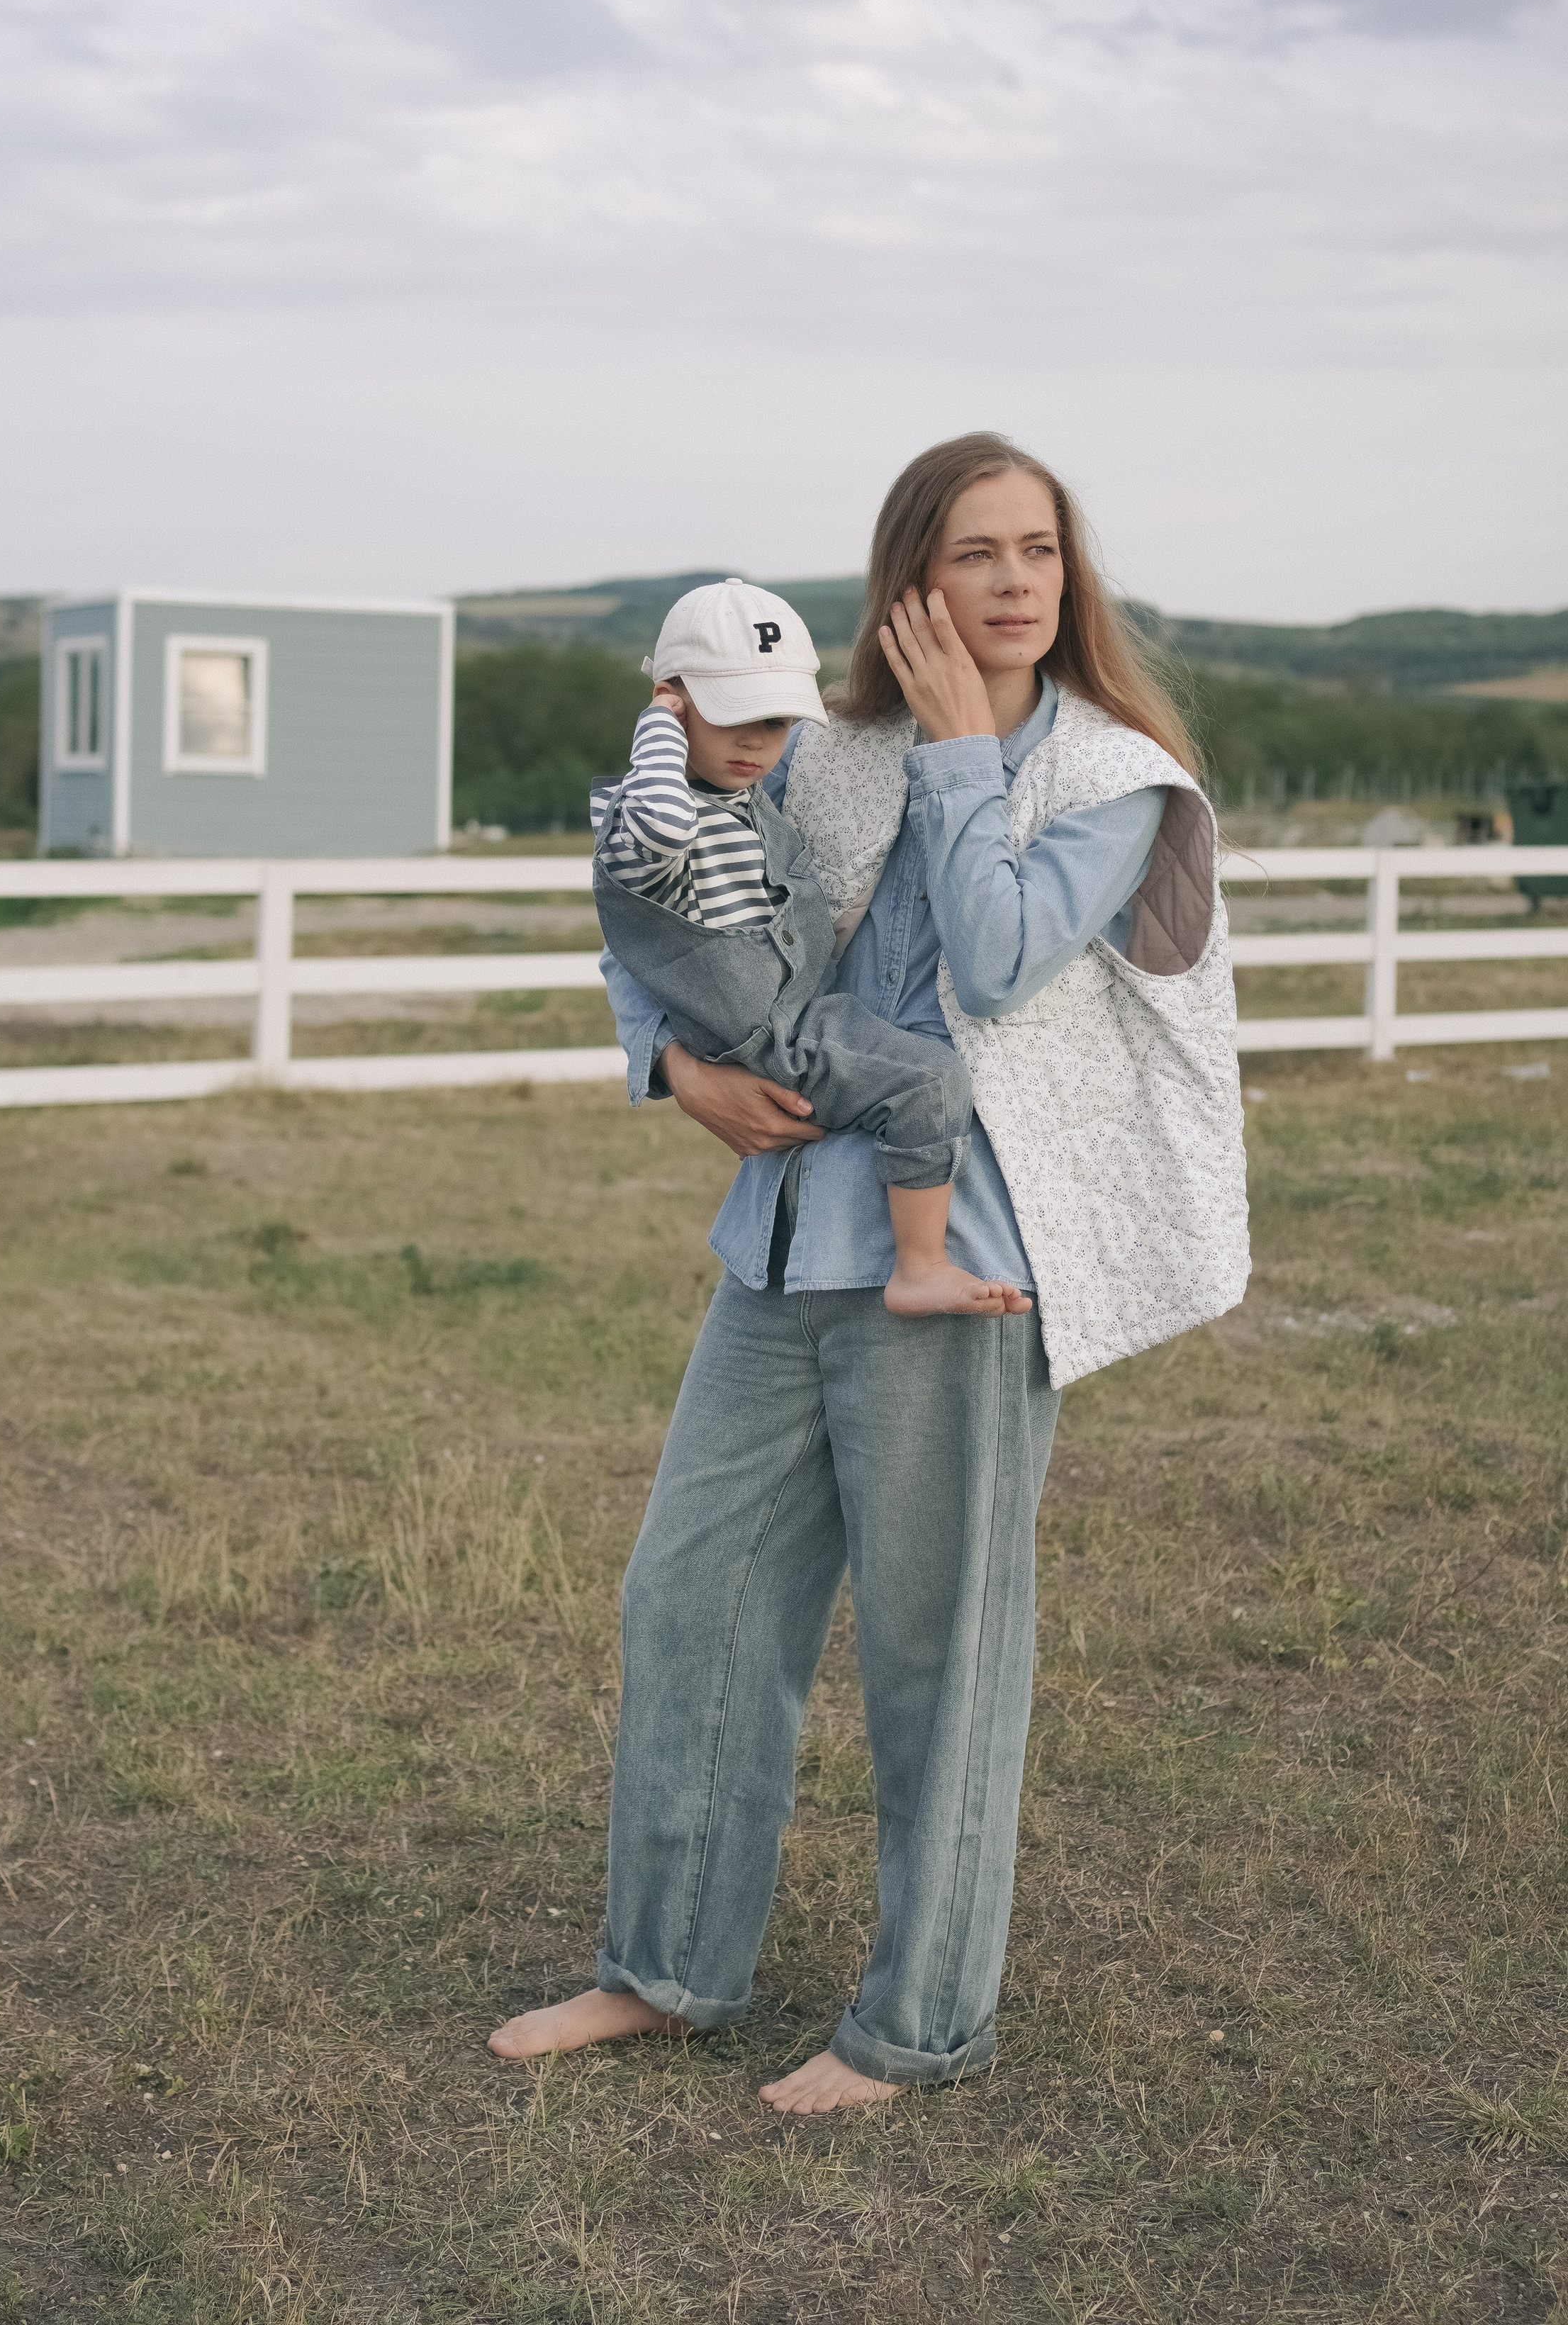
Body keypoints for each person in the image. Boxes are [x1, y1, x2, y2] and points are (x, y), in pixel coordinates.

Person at [491, 435, 1249, 2114]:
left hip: (961, 1263)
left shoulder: (1113, 781)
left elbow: (989, 959)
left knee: (934, 1648)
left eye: (1035, 551)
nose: (1008, 583)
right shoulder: (823, 753)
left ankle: (914, 2025)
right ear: (908, 578)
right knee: (689, 1598)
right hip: (780, 1244)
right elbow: (649, 881)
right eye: (971, 552)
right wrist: (667, 1072)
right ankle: (666, 1967)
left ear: (1070, 577)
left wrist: (971, 760)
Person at [590, 574, 1027, 1318]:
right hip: (774, 1030)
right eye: (736, 717)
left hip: (785, 1006)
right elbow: (661, 827)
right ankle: (919, 1264)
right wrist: (658, 725)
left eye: (777, 721)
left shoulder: (735, 794)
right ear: (672, 696)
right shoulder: (643, 818)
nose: (758, 743)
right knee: (929, 1083)